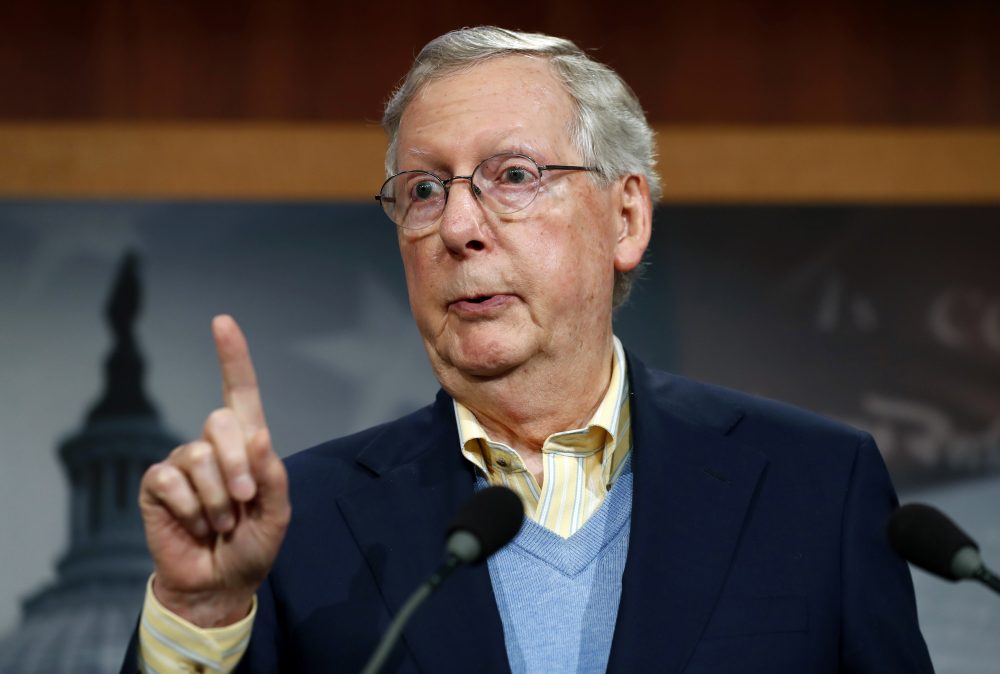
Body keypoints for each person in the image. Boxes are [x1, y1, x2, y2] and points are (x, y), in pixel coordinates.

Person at [122, 26, 933, 673]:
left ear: (625, 219)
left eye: (513, 175)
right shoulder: (298, 523)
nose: (459, 227)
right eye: (424, 191)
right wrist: (201, 618)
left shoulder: (814, 486)